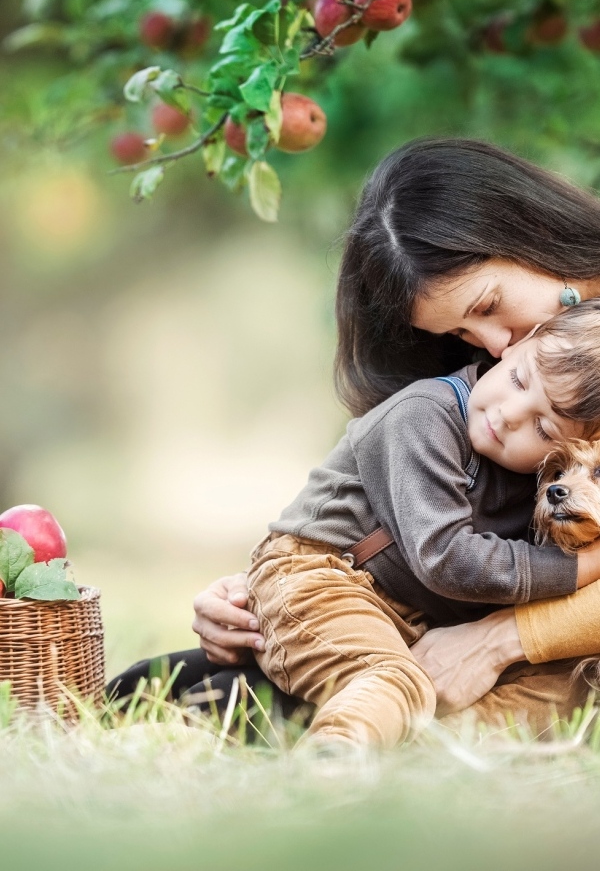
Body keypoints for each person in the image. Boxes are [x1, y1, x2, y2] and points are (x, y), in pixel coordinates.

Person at [108, 138, 600, 725]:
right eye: (465, 335)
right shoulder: (477, 400)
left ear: (535, 233)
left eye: (490, 303)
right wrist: (269, 595)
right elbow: (418, 527)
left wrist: (500, 641)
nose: (496, 345)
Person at [246, 301, 600, 748]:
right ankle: (337, 752)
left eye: (545, 429)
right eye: (519, 380)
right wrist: (583, 567)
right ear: (515, 348)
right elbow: (448, 559)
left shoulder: (534, 468)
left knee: (561, 685)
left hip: (420, 616)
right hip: (326, 579)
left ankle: (438, 752)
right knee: (391, 677)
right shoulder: (424, 414)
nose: (511, 414)